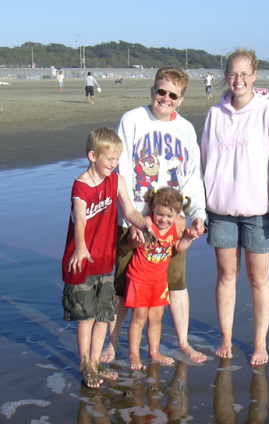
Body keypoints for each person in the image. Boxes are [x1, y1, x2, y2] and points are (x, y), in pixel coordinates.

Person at [100, 67, 207, 364]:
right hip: (134, 221)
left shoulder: (185, 129)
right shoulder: (133, 119)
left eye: (173, 95)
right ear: (153, 91)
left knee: (175, 283)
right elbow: (121, 174)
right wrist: (133, 219)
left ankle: (183, 343)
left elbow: (192, 178)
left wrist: (197, 215)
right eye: (162, 91)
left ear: (181, 99)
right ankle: (111, 343)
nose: (166, 98)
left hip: (171, 223)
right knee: (122, 284)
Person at [201, 48, 269, 365]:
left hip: (259, 212)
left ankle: (259, 343)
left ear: (254, 76)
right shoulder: (215, 114)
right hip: (221, 211)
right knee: (227, 275)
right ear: (226, 76)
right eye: (233, 73)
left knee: (258, 280)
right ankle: (225, 337)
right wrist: (201, 209)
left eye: (244, 73)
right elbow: (205, 161)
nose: (238, 80)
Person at [61, 127, 155, 388]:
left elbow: (130, 210)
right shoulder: (80, 186)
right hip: (81, 261)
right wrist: (81, 247)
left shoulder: (117, 181)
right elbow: (79, 219)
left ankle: (96, 360)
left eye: (117, 160)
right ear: (93, 155)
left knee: (103, 315)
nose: (113, 165)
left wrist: (146, 225)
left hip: (105, 258)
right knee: (86, 316)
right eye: (109, 159)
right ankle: (85, 365)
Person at [126, 187, 199, 370]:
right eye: (160, 214)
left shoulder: (175, 227)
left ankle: (154, 351)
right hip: (139, 279)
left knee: (156, 317)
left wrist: (188, 238)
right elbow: (132, 243)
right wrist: (136, 237)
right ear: (153, 208)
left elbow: (178, 248)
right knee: (139, 317)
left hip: (159, 281)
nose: (164, 220)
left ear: (177, 215)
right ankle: (134, 355)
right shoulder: (146, 223)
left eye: (169, 216)